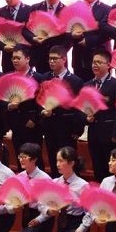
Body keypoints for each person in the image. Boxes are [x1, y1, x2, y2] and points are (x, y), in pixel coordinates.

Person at [43, 146, 91, 232]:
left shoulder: (82, 185)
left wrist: (82, 228)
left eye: (61, 161)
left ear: (71, 163)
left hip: (77, 223)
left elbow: (90, 211)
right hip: (63, 222)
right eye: (57, 160)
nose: (57, 164)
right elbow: (46, 202)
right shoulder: (55, 182)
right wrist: (48, 210)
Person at [40, 45, 84, 176]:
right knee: (53, 160)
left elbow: (79, 108)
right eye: (50, 59)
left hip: (67, 128)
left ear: (64, 59)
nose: (51, 62)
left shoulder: (75, 81)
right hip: (49, 126)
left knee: (68, 159)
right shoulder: (45, 77)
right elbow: (40, 99)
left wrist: (78, 129)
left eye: (55, 59)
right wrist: (43, 111)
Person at [82, 48, 116, 183]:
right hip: (93, 132)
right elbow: (81, 110)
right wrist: (86, 118)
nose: (95, 65)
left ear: (108, 64)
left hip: (110, 133)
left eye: (99, 62)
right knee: (97, 165)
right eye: (94, 62)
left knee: (111, 166)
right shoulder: (87, 85)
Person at [2, 45, 45, 169]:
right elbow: (1, 98)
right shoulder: (8, 77)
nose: (15, 60)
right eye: (13, 58)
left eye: (18, 58)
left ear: (27, 59)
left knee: (34, 157)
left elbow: (42, 101)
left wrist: (35, 119)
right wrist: (9, 106)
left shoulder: (38, 78)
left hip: (32, 124)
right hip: (15, 122)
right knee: (19, 155)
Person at [14, 143, 53, 232]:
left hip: (42, 216)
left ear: (34, 159)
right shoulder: (20, 176)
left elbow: (50, 206)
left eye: (25, 157)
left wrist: (39, 219)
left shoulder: (44, 179)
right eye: (20, 156)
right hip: (26, 213)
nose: (21, 160)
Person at [70, 0, 113, 82]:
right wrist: (72, 35)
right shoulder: (74, 9)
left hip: (99, 58)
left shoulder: (106, 9)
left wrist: (88, 41)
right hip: (79, 60)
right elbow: (66, 30)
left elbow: (107, 33)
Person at [29, 0, 68, 71]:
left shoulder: (66, 11)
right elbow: (26, 29)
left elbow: (69, 36)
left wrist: (60, 52)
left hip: (58, 58)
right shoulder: (35, 8)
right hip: (39, 56)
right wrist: (33, 38)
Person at [0, 0, 33, 72]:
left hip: (24, 57)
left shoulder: (29, 10)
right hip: (7, 58)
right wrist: (3, 46)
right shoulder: (0, 12)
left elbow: (32, 32)